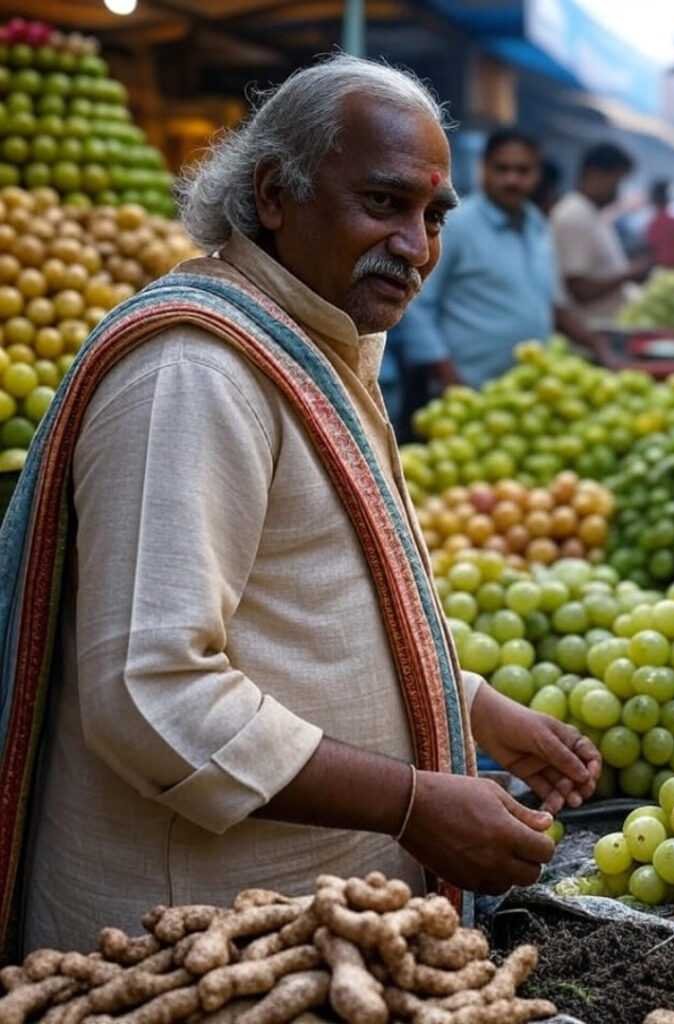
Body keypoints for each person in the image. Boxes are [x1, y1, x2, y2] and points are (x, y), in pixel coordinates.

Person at [2, 55, 601, 954]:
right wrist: (410, 801)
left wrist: (465, 703)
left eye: (434, 217)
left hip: (300, 932)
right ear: (277, 195)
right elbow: (151, 694)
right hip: (193, 947)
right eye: (385, 204)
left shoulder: (304, 337)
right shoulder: (194, 374)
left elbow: (295, 614)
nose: (417, 248)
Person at [399, 130, 593, 390]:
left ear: (537, 175)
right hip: (466, 391)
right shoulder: (455, 225)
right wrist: (448, 378)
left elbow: (547, 300)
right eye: (502, 169)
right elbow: (417, 305)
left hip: (531, 390)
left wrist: (594, 343)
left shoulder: (537, 226)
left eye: (523, 171)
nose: (512, 179)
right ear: (483, 168)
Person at [550, 142, 651, 324]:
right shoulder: (575, 215)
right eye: (617, 181)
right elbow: (579, 290)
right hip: (589, 331)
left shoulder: (591, 213)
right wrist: (631, 273)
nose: (618, 191)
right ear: (594, 174)